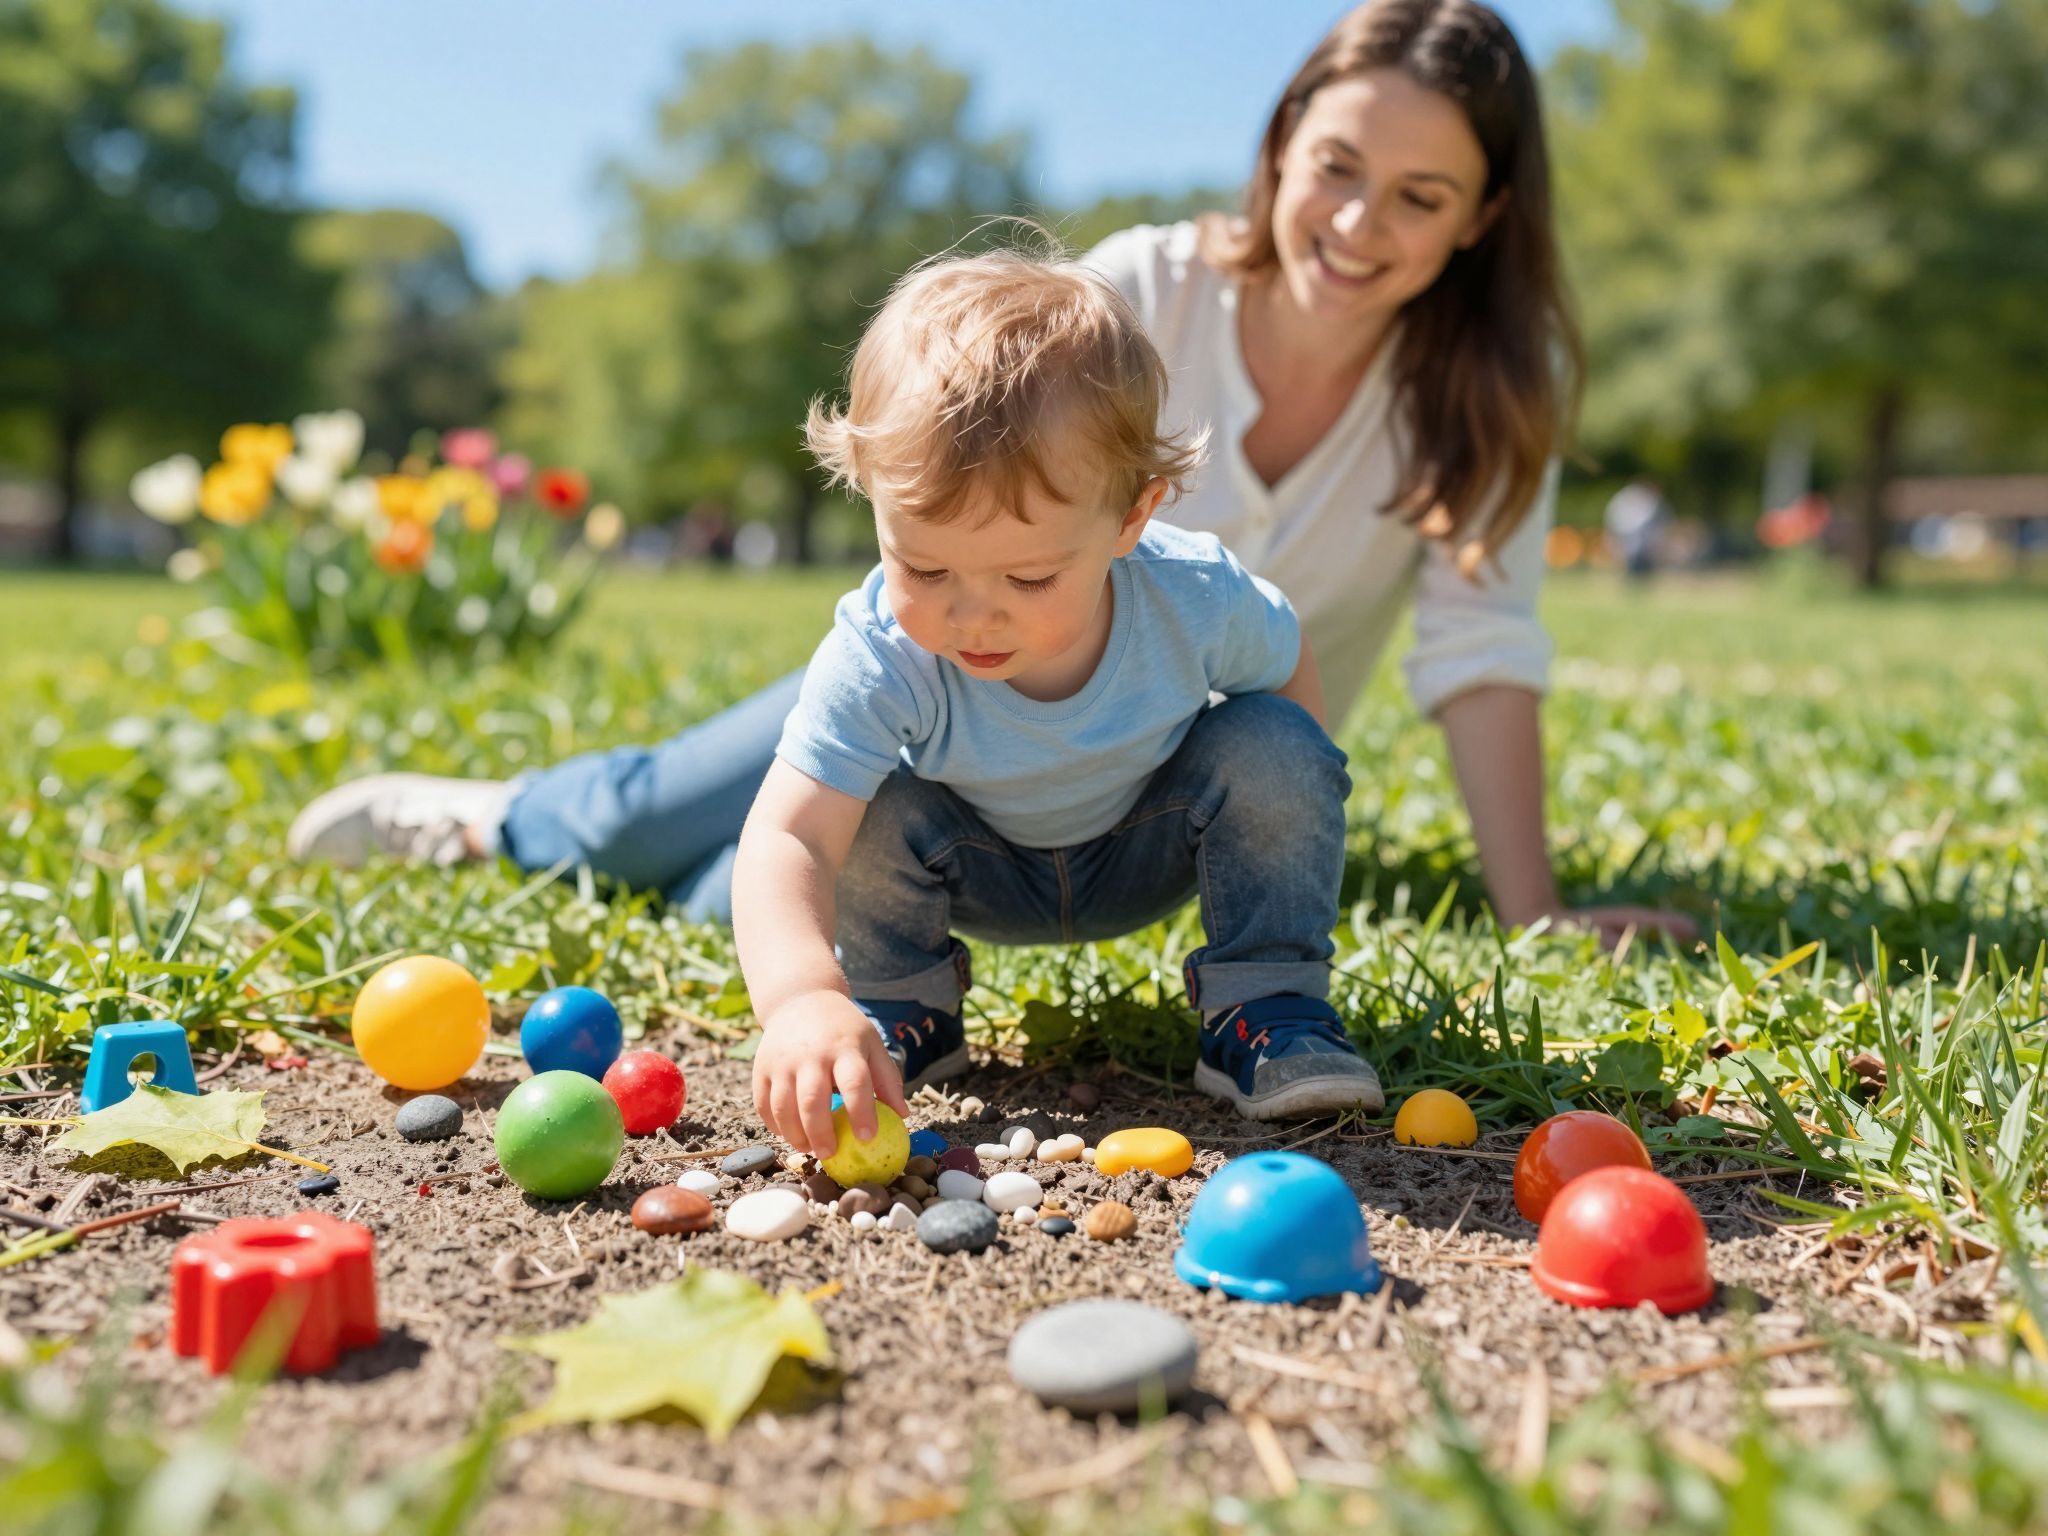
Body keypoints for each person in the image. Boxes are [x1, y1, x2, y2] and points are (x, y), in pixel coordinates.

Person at [287, 0, 1695, 953]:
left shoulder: (1488, 406)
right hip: (960, 673)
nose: (1354, 220)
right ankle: (497, 821)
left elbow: (1482, 650)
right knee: (683, 802)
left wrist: (1534, 913)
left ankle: (689, 892)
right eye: (1334, 165)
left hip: (1151, 773)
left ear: (1481, 220)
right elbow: (954, 477)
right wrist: (900, 668)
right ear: (1280, 150)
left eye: (1419, 196)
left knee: (743, 890)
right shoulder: (1142, 286)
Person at [740, 245, 1381, 1153]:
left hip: (1148, 841)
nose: (971, 613)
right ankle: (901, 1003)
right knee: (866, 787)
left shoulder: (1193, 595)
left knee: (1273, 740)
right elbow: (788, 836)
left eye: (1031, 575)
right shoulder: (882, 649)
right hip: (973, 862)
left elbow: (1289, 691)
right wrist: (804, 997)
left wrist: (1281, 828)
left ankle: (1264, 1001)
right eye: (923, 565)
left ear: (1132, 519)